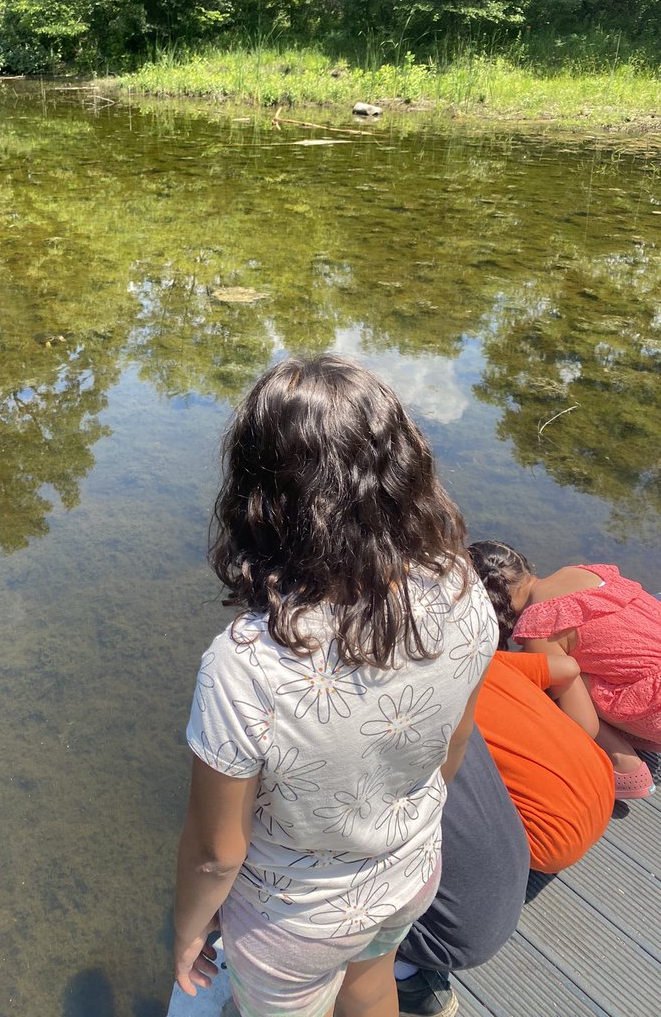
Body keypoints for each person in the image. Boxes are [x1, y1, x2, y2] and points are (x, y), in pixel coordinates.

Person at [174, 355, 497, 1017]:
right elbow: (452, 749)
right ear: (402, 468)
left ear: (261, 493)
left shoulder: (246, 665)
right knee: (371, 981)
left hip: (295, 921)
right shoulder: (461, 585)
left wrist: (187, 931)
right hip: (408, 868)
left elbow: (215, 854)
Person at [393, 646, 615, 1017]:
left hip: (540, 841)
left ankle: (404, 973)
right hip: (601, 782)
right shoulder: (473, 653)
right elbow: (567, 668)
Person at [468, 541, 661, 800]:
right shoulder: (582, 572)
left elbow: (584, 726)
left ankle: (623, 764)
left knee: (549, 676)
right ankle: (641, 733)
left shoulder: (538, 625)